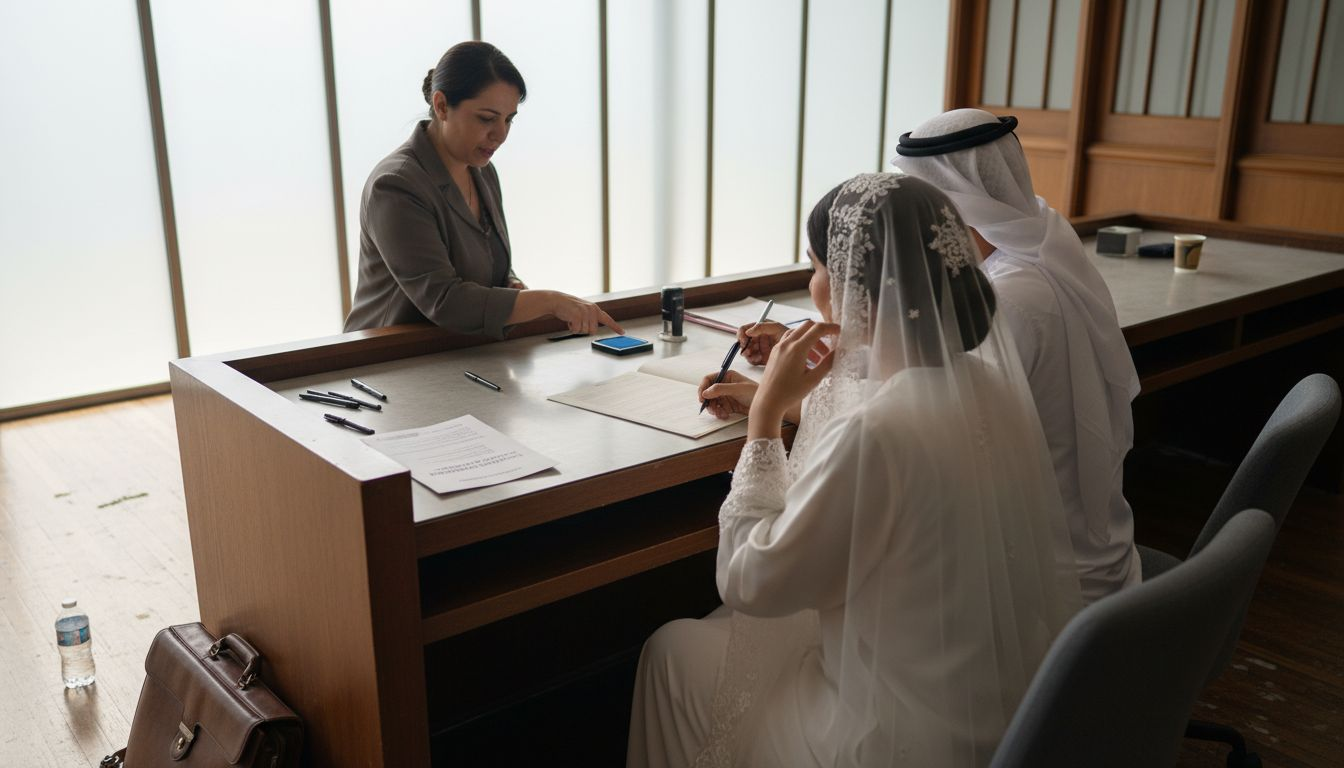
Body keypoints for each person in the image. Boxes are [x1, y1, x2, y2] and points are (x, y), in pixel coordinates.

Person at [631, 174, 1082, 767]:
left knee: (670, 650)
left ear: (851, 286)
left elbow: (748, 581)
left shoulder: (878, 434)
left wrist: (765, 419)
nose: (812, 284)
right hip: (996, 712)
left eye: (816, 267)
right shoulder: (989, 385)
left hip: (887, 738)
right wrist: (777, 395)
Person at [891, 108, 1142, 603]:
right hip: (1101, 548)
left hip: (1049, 586)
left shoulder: (1006, 301)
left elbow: (918, 432)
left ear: (951, 204)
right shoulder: (1040, 237)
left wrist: (786, 400)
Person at [344, 41, 622, 338]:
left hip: (460, 352)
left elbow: (492, 269)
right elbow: (446, 300)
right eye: (486, 118)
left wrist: (511, 285)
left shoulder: (482, 171)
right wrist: (549, 301)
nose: (500, 134)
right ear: (441, 106)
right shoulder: (396, 185)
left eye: (508, 119)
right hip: (386, 361)